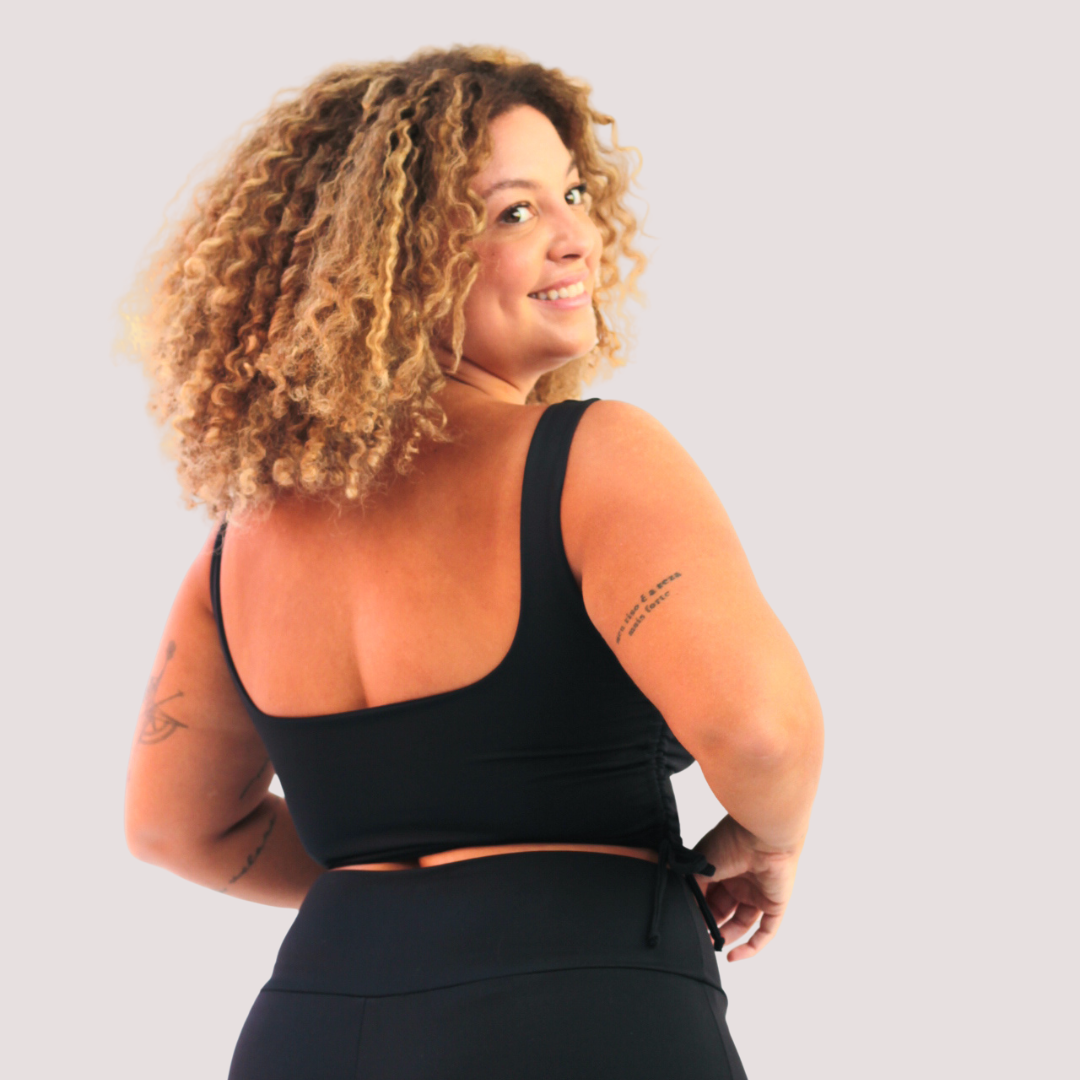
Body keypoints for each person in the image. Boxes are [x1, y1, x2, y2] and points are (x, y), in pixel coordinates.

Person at [121, 45, 824, 1079]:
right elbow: (763, 735)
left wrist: (407, 881)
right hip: (583, 1013)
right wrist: (769, 839)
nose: (577, 236)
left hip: (314, 1027)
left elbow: (174, 827)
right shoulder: (592, 458)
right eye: (513, 213)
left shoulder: (238, 547)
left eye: (572, 195)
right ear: (392, 264)